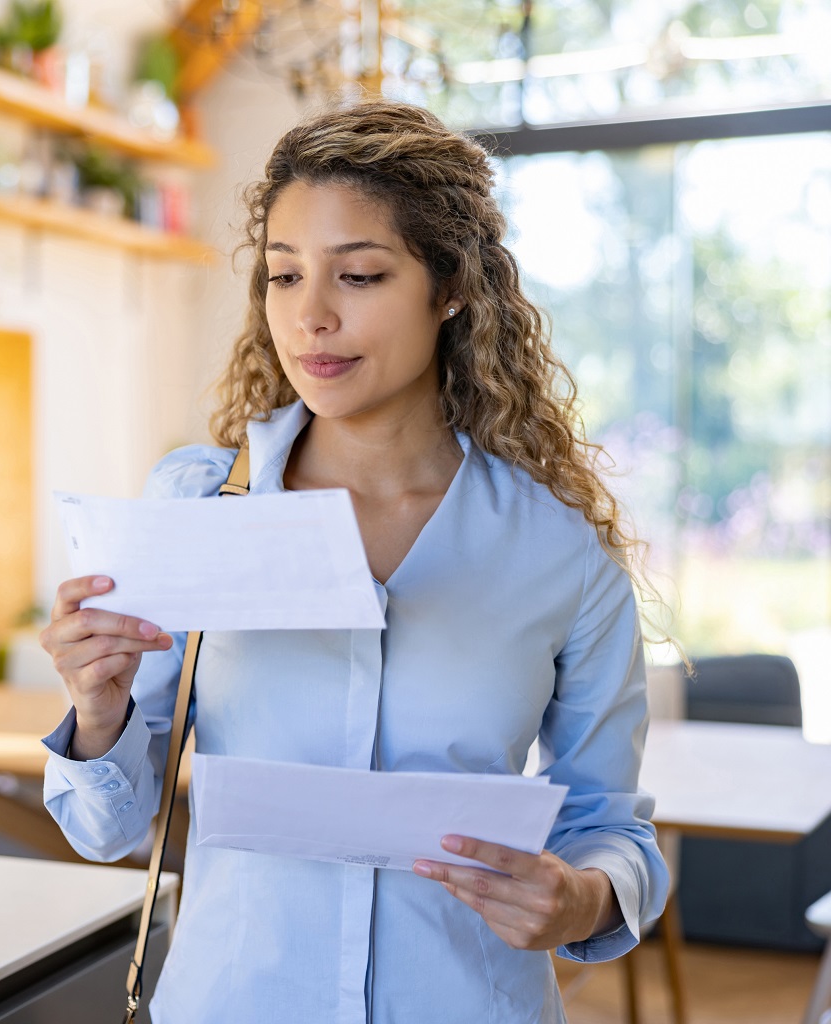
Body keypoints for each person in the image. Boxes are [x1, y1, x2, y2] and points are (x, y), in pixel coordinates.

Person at [40, 99, 669, 1023]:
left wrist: (581, 896)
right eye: (284, 276)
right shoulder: (201, 503)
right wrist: (96, 713)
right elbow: (107, 828)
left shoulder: (560, 552)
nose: (312, 317)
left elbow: (611, 826)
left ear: (449, 287)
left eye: (361, 274)